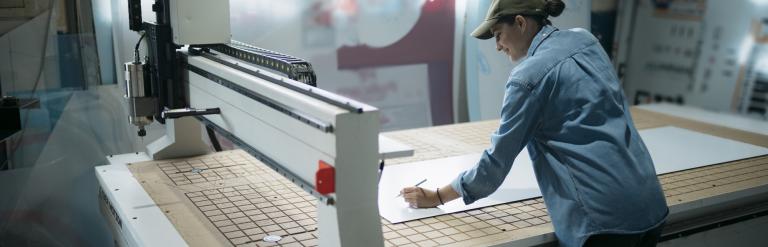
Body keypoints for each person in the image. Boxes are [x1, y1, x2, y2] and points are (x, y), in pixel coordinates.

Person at [400, 0, 669, 246]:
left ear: (520, 23)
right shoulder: (585, 41)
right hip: (649, 202)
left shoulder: (527, 78)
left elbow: (496, 164)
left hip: (604, 222)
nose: (498, 46)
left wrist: (437, 196)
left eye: (498, 35)